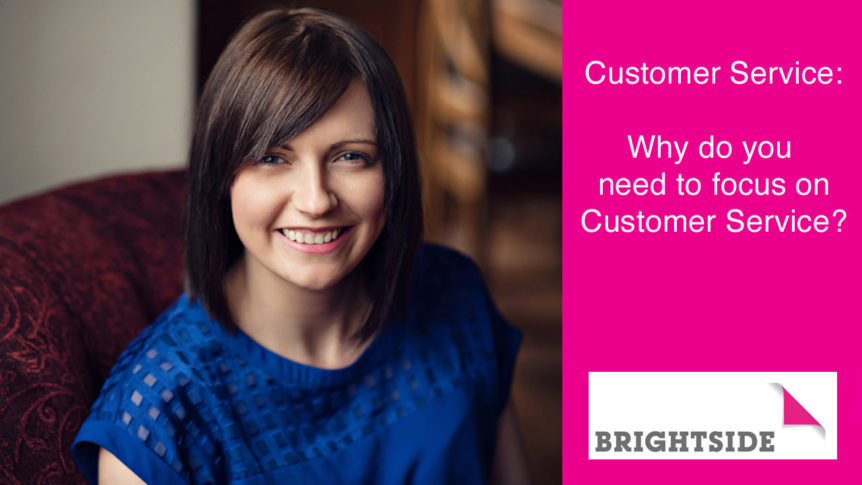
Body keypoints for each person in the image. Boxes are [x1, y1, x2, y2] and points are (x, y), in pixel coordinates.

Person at [72, 7, 529, 484]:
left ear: (392, 170)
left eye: (351, 156)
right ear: (221, 177)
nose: (315, 200)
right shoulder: (158, 416)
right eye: (273, 157)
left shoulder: (456, 294)